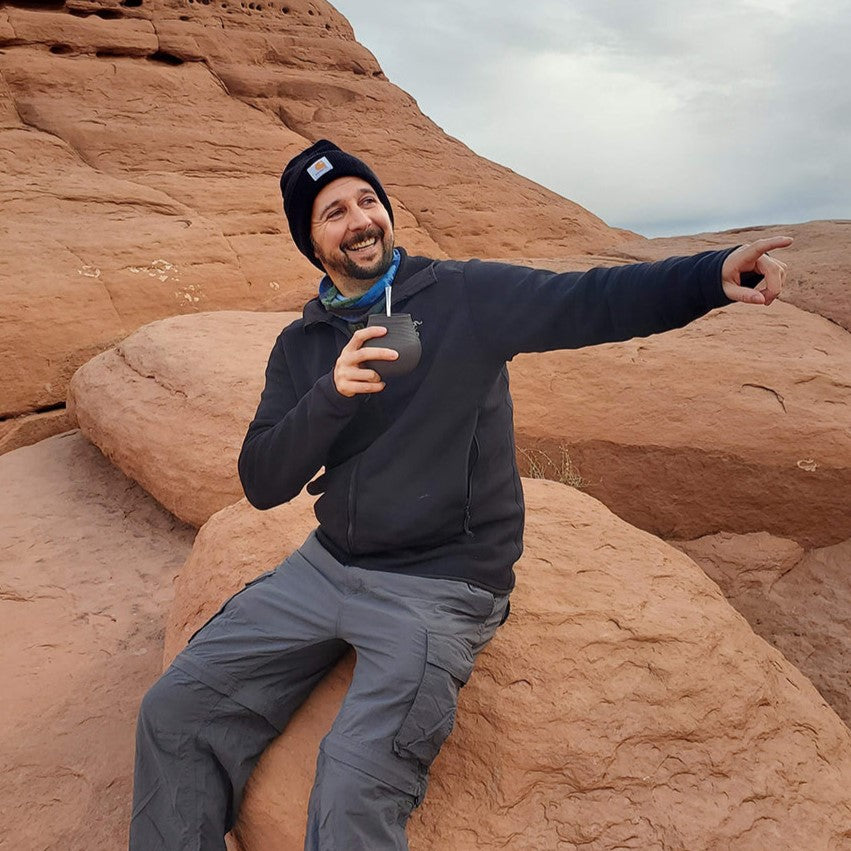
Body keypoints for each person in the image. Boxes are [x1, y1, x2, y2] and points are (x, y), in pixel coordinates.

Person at [129, 140, 790, 850]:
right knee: (174, 711)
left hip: (440, 583)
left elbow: (588, 300)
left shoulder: (462, 294)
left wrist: (704, 279)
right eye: (333, 212)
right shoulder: (303, 344)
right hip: (326, 567)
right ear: (310, 240)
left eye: (367, 201)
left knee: (352, 785)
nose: (359, 220)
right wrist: (333, 394)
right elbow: (262, 480)